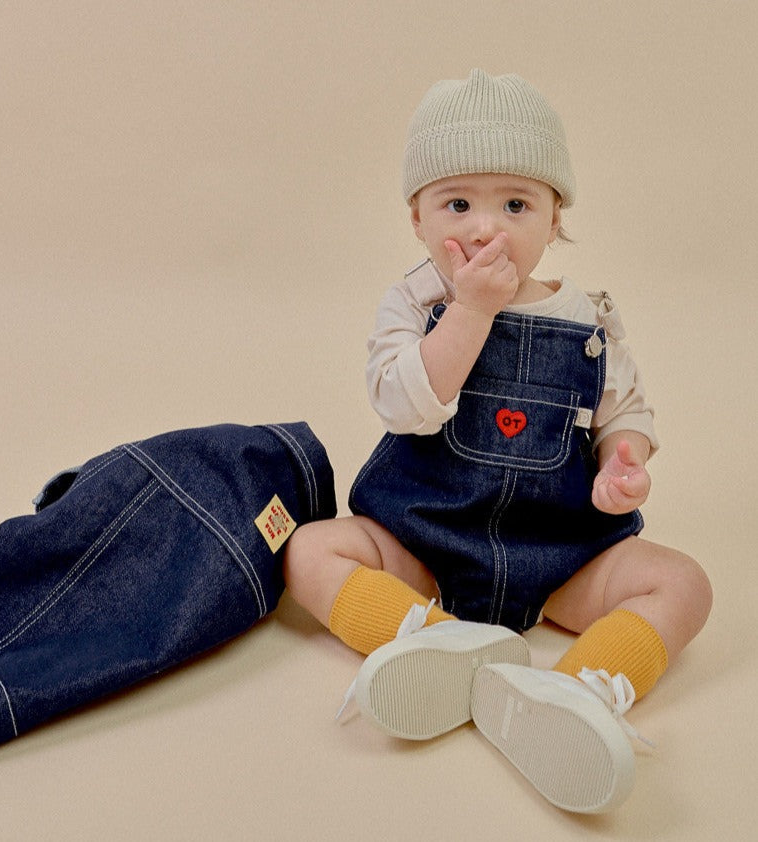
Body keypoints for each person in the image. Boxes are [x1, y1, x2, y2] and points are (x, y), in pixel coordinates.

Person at [282, 68, 712, 814]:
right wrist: (470, 312)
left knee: (685, 583)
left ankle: (575, 691)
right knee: (310, 550)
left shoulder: (591, 319)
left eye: (515, 204)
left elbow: (626, 408)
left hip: (560, 554)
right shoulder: (414, 303)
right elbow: (404, 405)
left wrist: (623, 460)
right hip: (424, 540)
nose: (486, 228)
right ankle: (429, 640)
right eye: (458, 204)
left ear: (555, 218)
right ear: (417, 218)